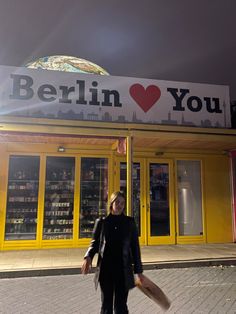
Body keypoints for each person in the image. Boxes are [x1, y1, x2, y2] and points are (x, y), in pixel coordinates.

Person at [81, 191, 144, 314]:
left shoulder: (129, 223)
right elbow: (94, 243)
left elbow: (135, 248)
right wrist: (87, 257)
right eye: (117, 202)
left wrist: (139, 271)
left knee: (121, 306)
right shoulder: (102, 222)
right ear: (111, 203)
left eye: (122, 203)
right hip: (106, 271)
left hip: (123, 270)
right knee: (106, 306)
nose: (120, 205)